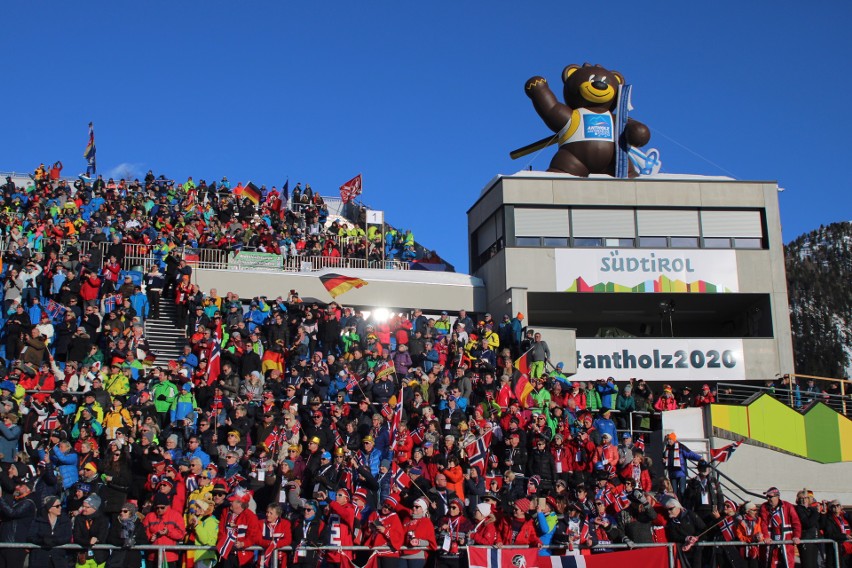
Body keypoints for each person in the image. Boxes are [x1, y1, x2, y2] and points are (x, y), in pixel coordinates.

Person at [215, 488, 261, 568]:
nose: (230, 503)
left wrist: (243, 543)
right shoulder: (225, 512)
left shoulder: (251, 517)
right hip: (227, 554)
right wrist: (225, 543)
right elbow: (221, 530)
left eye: (233, 501)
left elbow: (253, 535)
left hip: (244, 556)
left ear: (240, 504)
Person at [759, 487, 801, 568]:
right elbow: (763, 523)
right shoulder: (764, 507)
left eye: (770, 496)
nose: (768, 498)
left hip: (786, 539)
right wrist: (766, 537)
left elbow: (796, 522)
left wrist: (796, 536)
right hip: (771, 539)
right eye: (767, 497)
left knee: (788, 563)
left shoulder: (788, 506)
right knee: (771, 563)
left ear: (777, 496)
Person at [27, 495, 73, 568]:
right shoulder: (38, 520)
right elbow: (31, 536)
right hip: (40, 558)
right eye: (57, 506)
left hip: (58, 558)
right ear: (49, 508)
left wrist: (54, 541)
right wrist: (42, 540)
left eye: (60, 505)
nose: (60, 508)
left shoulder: (65, 521)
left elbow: (67, 536)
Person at [144, 493, 187, 568]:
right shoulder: (149, 516)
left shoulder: (176, 515)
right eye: (157, 508)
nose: (159, 510)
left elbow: (181, 534)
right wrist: (150, 537)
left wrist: (168, 532)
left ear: (167, 506)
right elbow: (144, 532)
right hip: (152, 556)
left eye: (162, 507)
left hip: (169, 557)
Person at [105, 501, 148, 568]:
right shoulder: (116, 523)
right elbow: (110, 539)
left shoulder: (138, 524)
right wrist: (123, 542)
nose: (122, 513)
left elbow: (144, 540)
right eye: (121, 511)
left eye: (125, 511)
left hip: (133, 560)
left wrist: (134, 541)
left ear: (131, 513)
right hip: (117, 559)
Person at [73, 494, 110, 568]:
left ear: (94, 508)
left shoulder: (103, 519)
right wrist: (88, 541)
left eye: (87, 507)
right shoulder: (79, 518)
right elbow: (77, 537)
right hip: (83, 557)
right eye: (83, 506)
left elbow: (102, 537)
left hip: (99, 558)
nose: (83, 508)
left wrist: (96, 540)